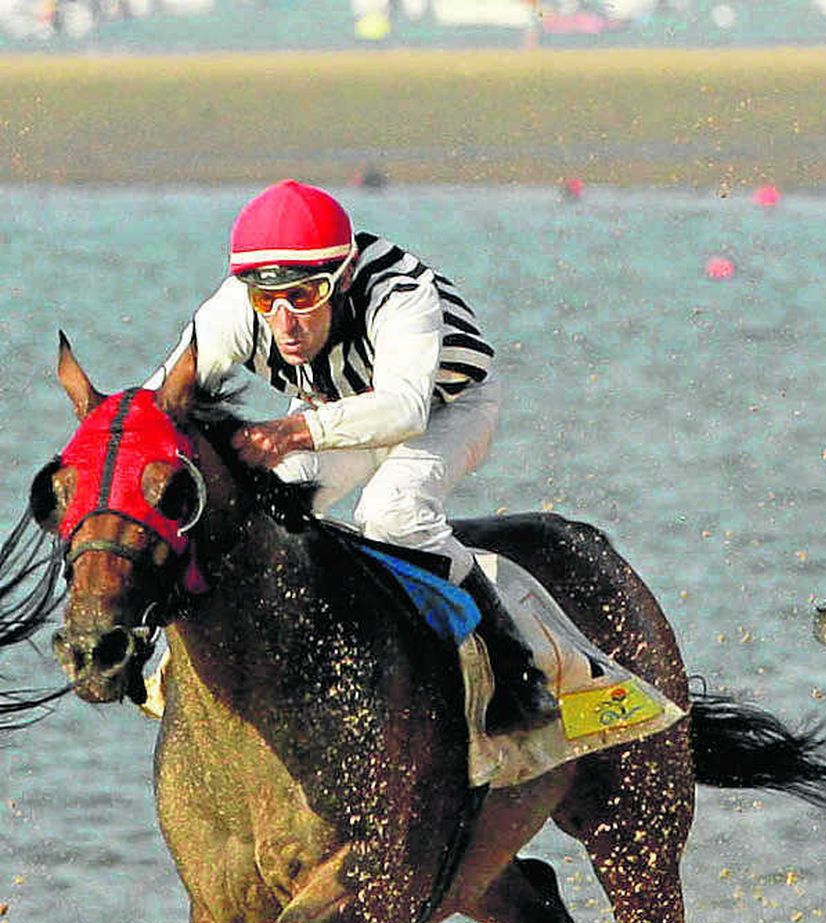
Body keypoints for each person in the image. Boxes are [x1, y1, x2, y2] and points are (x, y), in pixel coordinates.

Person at [151, 178, 555, 733]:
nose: (285, 323)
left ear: (342, 278)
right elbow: (158, 407)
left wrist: (294, 431)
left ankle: (517, 669)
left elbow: (403, 411)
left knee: (392, 514)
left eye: (305, 296)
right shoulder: (234, 311)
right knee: (257, 509)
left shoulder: (399, 292)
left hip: (446, 407)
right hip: (331, 409)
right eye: (267, 301)